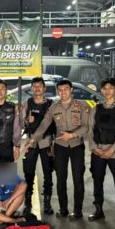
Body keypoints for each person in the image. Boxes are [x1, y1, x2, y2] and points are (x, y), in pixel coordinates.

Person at [25, 79, 91, 219]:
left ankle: (77, 211)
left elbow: (86, 126)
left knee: (78, 179)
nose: (63, 92)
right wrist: (32, 140)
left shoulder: (82, 106)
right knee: (61, 179)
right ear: (57, 91)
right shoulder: (53, 108)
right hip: (60, 147)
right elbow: (44, 125)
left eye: (66, 89)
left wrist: (72, 135)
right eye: (60, 90)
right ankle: (63, 209)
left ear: (71, 90)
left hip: (77, 146)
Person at [88, 78, 115, 226]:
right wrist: (94, 148)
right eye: (105, 88)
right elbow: (90, 129)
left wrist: (111, 150)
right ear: (101, 90)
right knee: (97, 182)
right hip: (98, 150)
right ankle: (98, 210)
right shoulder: (96, 108)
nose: (107, 91)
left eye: (110, 88)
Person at [21, 77, 55, 218]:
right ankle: (28, 202)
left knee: (48, 173)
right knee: (28, 172)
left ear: (44, 88)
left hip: (46, 142)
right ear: (31, 89)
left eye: (39, 86)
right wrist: (26, 121)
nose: (37, 88)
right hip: (31, 142)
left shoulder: (52, 104)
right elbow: (21, 124)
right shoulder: (26, 104)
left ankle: (47, 202)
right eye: (34, 86)